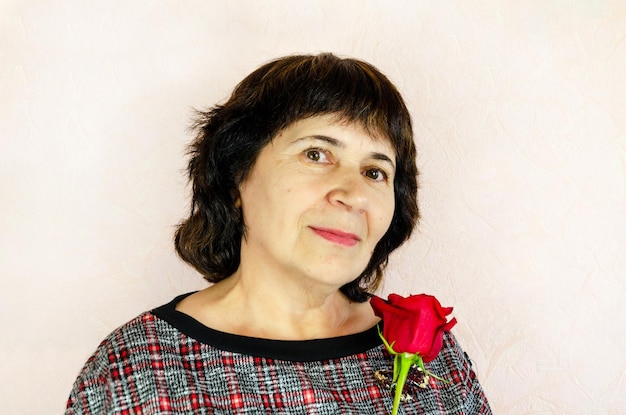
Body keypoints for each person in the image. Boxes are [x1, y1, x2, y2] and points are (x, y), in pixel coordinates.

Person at [66, 53, 491, 414]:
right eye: (316, 154)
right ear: (236, 178)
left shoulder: (438, 360)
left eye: (375, 171)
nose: (354, 194)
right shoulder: (139, 369)